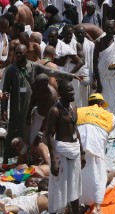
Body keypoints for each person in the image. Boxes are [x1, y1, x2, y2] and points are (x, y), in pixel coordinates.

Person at [47, 80, 84, 214]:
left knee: (75, 186)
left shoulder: (73, 107)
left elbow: (76, 130)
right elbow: (50, 135)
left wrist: (82, 152)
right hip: (62, 151)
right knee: (60, 186)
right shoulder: (55, 111)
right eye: (69, 91)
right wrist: (53, 161)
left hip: (74, 150)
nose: (72, 92)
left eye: (72, 90)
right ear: (61, 93)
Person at [77, 93, 115, 210]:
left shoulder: (78, 111)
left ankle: (80, 204)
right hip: (96, 150)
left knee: (80, 178)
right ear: (101, 104)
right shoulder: (107, 115)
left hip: (78, 149)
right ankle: (96, 206)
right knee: (98, 178)